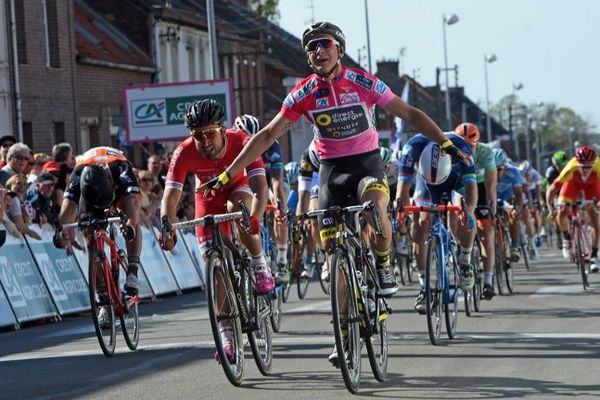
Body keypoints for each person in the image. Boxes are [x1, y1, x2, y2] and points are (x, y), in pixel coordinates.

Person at [199, 21, 470, 366]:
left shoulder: (363, 82)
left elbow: (411, 113)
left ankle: (384, 264)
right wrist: (227, 173)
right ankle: (343, 333)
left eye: (324, 44)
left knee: (375, 206)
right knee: (332, 253)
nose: (318, 51)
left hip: (367, 164)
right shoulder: (303, 92)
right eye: (311, 47)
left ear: (339, 49)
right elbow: (267, 135)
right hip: (331, 173)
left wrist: (443, 141)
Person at [159, 99, 273, 362]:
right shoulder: (184, 151)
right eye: (198, 136)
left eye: (210, 133)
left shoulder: (242, 140)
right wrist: (167, 226)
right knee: (215, 268)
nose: (205, 141)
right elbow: (171, 195)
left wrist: (255, 218)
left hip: (238, 187)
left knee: (239, 209)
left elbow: (260, 187)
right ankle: (227, 337)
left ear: (222, 130)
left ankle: (258, 263)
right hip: (207, 198)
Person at [396, 133, 477, 313]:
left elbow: (472, 189)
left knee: (466, 211)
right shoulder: (412, 149)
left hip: (455, 181)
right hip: (425, 182)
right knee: (421, 223)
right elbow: (402, 190)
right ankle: (424, 287)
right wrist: (403, 216)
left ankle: (465, 259)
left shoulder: (462, 149)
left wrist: (469, 212)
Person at [55, 146, 142, 295]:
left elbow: (133, 200)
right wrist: (60, 233)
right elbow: (67, 208)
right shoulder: (78, 173)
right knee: (90, 239)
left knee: (132, 218)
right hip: (90, 197)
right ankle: (102, 294)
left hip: (118, 192)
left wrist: (130, 225)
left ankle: (133, 269)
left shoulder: (121, 167)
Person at [234, 114, 290, 284]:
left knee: (278, 204)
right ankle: (243, 251)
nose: (252, 145)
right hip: (248, 180)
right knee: (243, 208)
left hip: (270, 177)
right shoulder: (233, 146)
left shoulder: (271, 145)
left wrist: (278, 204)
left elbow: (277, 182)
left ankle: (281, 260)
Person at [454, 122, 497, 300]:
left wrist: (492, 203)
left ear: (477, 143)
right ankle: (460, 247)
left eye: (470, 145)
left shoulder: (486, 152)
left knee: (486, 232)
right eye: (462, 145)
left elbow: (490, 183)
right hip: (460, 185)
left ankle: (488, 280)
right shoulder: (452, 150)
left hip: (480, 185)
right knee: (456, 211)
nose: (466, 149)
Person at [546, 146, 600, 270]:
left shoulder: (598, 167)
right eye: (583, 166)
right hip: (572, 184)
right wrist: (550, 208)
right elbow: (551, 189)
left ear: (593, 163)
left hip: (592, 186)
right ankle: (566, 238)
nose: (586, 169)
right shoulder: (570, 168)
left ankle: (594, 255)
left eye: (589, 166)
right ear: (577, 164)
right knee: (562, 211)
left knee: (595, 219)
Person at [4, 173, 42, 240]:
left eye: (25, 184)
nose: (22, 186)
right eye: (18, 183)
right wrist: (39, 238)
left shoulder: (24, 203)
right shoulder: (14, 199)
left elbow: (28, 222)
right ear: (10, 185)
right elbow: (21, 226)